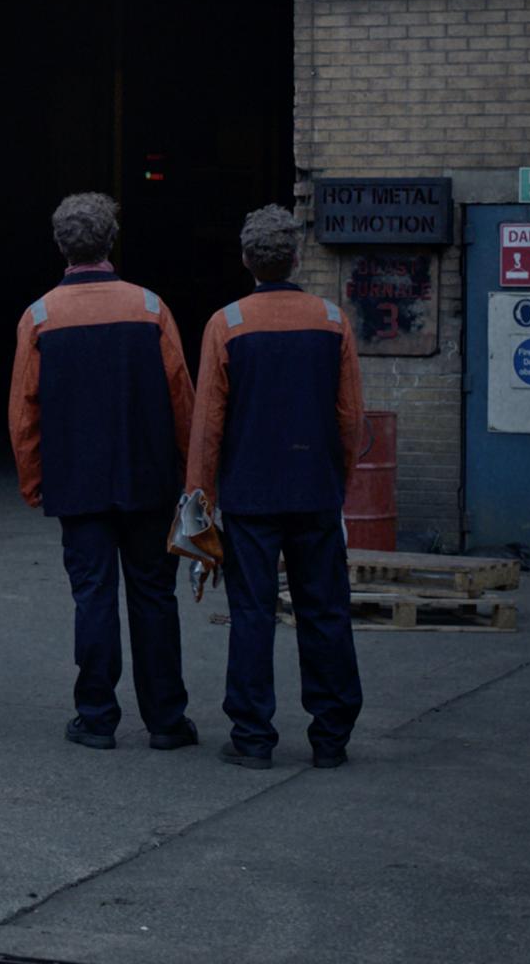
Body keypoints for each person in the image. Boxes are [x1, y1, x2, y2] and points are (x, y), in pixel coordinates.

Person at [8, 192, 198, 752]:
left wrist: (33, 479)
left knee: (92, 596)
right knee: (154, 595)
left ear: (61, 246)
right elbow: (182, 400)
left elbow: (24, 412)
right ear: (111, 241)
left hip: (76, 481)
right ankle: (166, 720)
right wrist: (192, 475)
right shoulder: (150, 308)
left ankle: (96, 718)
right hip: (148, 478)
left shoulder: (40, 316)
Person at [187, 204, 366, 770]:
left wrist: (200, 499)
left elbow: (208, 424)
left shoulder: (226, 324)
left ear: (247, 260)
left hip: (250, 495)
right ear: (297, 258)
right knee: (325, 611)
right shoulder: (332, 321)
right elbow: (350, 419)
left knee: (251, 612)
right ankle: (331, 738)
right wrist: (339, 480)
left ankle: (252, 736)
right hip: (315, 490)